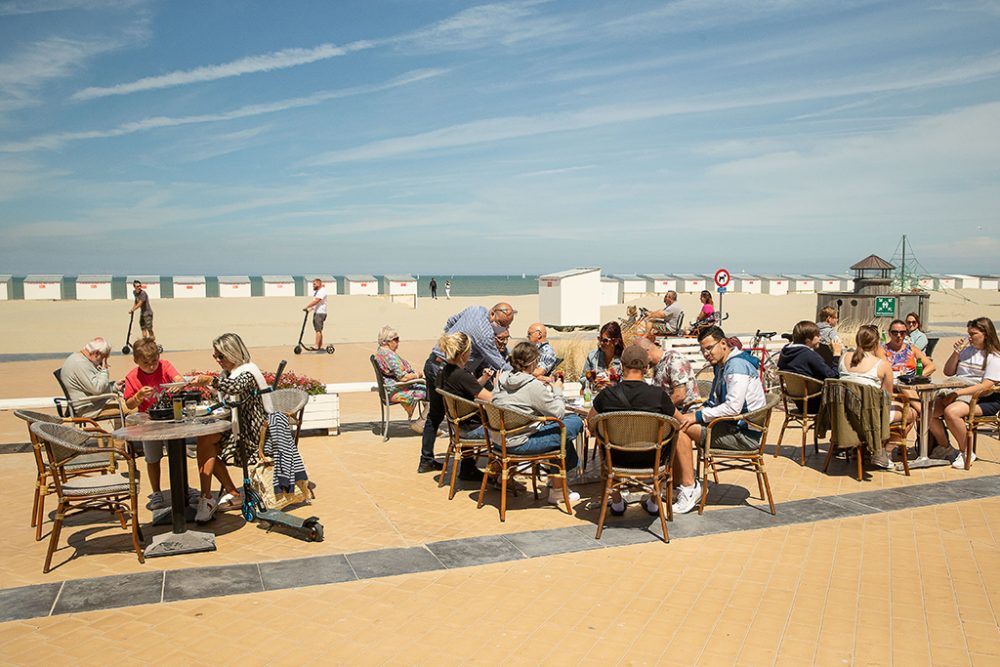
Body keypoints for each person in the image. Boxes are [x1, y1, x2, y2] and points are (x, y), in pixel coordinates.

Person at [674, 327, 768, 513]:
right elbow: (714, 402)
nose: (706, 354)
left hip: (743, 436)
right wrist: (698, 413)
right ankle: (680, 483)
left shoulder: (736, 366)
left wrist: (697, 416)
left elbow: (733, 407)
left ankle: (689, 487)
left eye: (709, 348)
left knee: (679, 428)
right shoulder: (723, 364)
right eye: (703, 350)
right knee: (681, 422)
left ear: (723, 344)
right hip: (729, 426)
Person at [419, 303, 515, 474]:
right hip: (447, 370)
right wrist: (520, 376)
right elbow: (497, 361)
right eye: (502, 324)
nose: (503, 329)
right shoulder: (484, 334)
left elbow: (450, 322)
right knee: (458, 414)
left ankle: (428, 460)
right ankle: (468, 466)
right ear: (492, 313)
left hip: (436, 362)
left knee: (437, 415)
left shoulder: (475, 309)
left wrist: (449, 344)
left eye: (508, 326)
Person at [190, 333, 273, 522]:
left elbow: (235, 387)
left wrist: (211, 381)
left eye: (221, 356)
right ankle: (213, 496)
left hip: (253, 433)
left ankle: (212, 497)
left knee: (206, 443)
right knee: (205, 443)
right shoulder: (230, 373)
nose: (218, 360)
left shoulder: (248, 372)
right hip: (237, 428)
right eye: (215, 356)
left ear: (233, 353)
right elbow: (228, 396)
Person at [587, 344, 676, 516]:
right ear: (646, 368)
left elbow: (591, 422)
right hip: (653, 460)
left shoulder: (606, 395)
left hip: (617, 460)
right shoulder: (659, 396)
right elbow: (678, 421)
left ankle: (618, 502)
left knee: (604, 445)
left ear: (622, 366)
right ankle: (653, 501)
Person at [493, 342, 583, 506]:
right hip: (519, 443)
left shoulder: (501, 380)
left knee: (560, 432)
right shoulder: (532, 385)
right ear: (533, 362)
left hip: (500, 441)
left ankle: (555, 484)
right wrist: (557, 390)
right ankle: (557, 489)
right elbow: (557, 412)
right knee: (573, 423)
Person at [122, 338, 198, 510]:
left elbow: (179, 379)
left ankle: (184, 487)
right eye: (146, 363)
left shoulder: (165, 366)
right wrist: (139, 396)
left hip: (170, 419)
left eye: (154, 361)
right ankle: (156, 492)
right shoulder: (133, 377)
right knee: (152, 458)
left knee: (177, 455)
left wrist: (177, 385)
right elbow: (129, 404)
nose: (151, 366)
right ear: (136, 361)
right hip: (148, 423)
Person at [928, 317, 1000, 469]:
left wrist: (957, 394)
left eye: (973, 334)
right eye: (969, 333)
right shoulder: (966, 351)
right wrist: (956, 354)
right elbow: (948, 372)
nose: (970, 337)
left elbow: (986, 386)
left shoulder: (994, 356)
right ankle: (945, 447)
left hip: (983, 399)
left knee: (951, 412)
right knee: (927, 411)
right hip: (958, 388)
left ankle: (966, 451)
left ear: (985, 334)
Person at [838, 325, 906, 468]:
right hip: (869, 418)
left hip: (845, 415)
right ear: (876, 343)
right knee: (910, 414)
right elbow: (887, 397)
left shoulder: (844, 358)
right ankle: (882, 451)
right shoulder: (881, 365)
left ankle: (871, 450)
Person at [433, 331, 493, 479]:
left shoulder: (446, 370)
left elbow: (470, 389)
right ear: (463, 354)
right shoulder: (461, 375)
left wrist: (484, 378)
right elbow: (490, 399)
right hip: (471, 429)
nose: (471, 352)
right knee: (509, 433)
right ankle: (500, 476)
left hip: (458, 426)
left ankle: (468, 468)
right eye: (470, 350)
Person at [777, 321, 841, 413]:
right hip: (815, 403)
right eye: (818, 336)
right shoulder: (809, 355)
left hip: (799, 402)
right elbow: (833, 377)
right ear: (808, 340)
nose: (820, 338)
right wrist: (836, 355)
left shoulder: (785, 352)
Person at [374, 325, 427, 433]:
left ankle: (426, 422)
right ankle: (420, 423)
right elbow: (403, 377)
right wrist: (417, 375)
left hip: (389, 389)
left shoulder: (381, 352)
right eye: (396, 339)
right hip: (396, 390)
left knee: (427, 391)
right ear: (388, 341)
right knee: (434, 395)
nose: (398, 343)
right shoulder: (389, 356)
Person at [59, 337, 117, 418]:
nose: (103, 361)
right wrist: (104, 370)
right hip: (90, 409)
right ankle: (124, 430)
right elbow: (97, 389)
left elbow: (93, 385)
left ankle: (120, 430)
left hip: (94, 402)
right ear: (96, 353)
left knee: (126, 403)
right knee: (131, 408)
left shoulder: (81, 360)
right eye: (104, 358)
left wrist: (114, 386)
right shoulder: (80, 363)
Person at [634, 336, 698, 408]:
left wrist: (658, 410)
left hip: (685, 412)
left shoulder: (673, 360)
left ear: (646, 352)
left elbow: (679, 395)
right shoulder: (657, 364)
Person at [580, 322, 624, 391]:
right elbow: (582, 378)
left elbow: (628, 382)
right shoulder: (593, 356)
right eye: (600, 339)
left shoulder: (624, 359)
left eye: (605, 340)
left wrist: (613, 383)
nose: (601, 343)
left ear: (616, 341)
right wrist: (592, 381)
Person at [303, 278, 328, 351]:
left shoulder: (322, 291)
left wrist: (307, 306)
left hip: (320, 313)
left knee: (318, 330)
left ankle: (316, 345)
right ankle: (320, 345)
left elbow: (317, 301)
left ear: (319, 284)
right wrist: (310, 309)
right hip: (317, 312)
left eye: (314, 284)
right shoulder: (317, 292)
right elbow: (316, 304)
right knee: (318, 330)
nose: (313, 286)